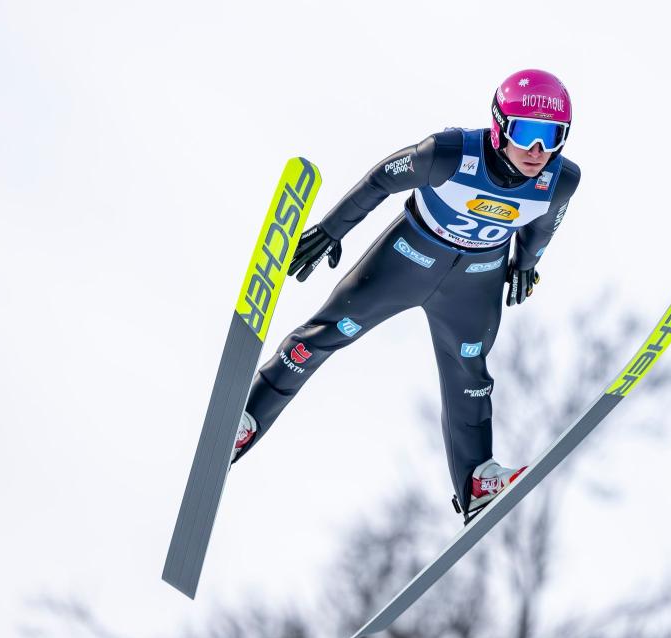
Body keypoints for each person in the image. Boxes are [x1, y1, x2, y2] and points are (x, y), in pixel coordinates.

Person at [231, 68, 581, 521]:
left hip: (476, 280)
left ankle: (476, 481)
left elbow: (541, 227)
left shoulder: (561, 180)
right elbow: (382, 178)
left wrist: (525, 266)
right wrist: (331, 231)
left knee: (470, 375)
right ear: (499, 126)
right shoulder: (450, 154)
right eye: (527, 133)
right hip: (409, 257)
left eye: (552, 136)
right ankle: (246, 421)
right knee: (328, 332)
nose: (538, 150)